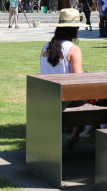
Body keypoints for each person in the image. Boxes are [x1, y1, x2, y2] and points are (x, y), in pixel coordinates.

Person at [40, 8, 84, 146]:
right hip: (64, 97)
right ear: (75, 29)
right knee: (95, 98)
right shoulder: (73, 49)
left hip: (46, 94)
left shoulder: (46, 46)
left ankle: (75, 135)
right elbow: (77, 80)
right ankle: (76, 134)